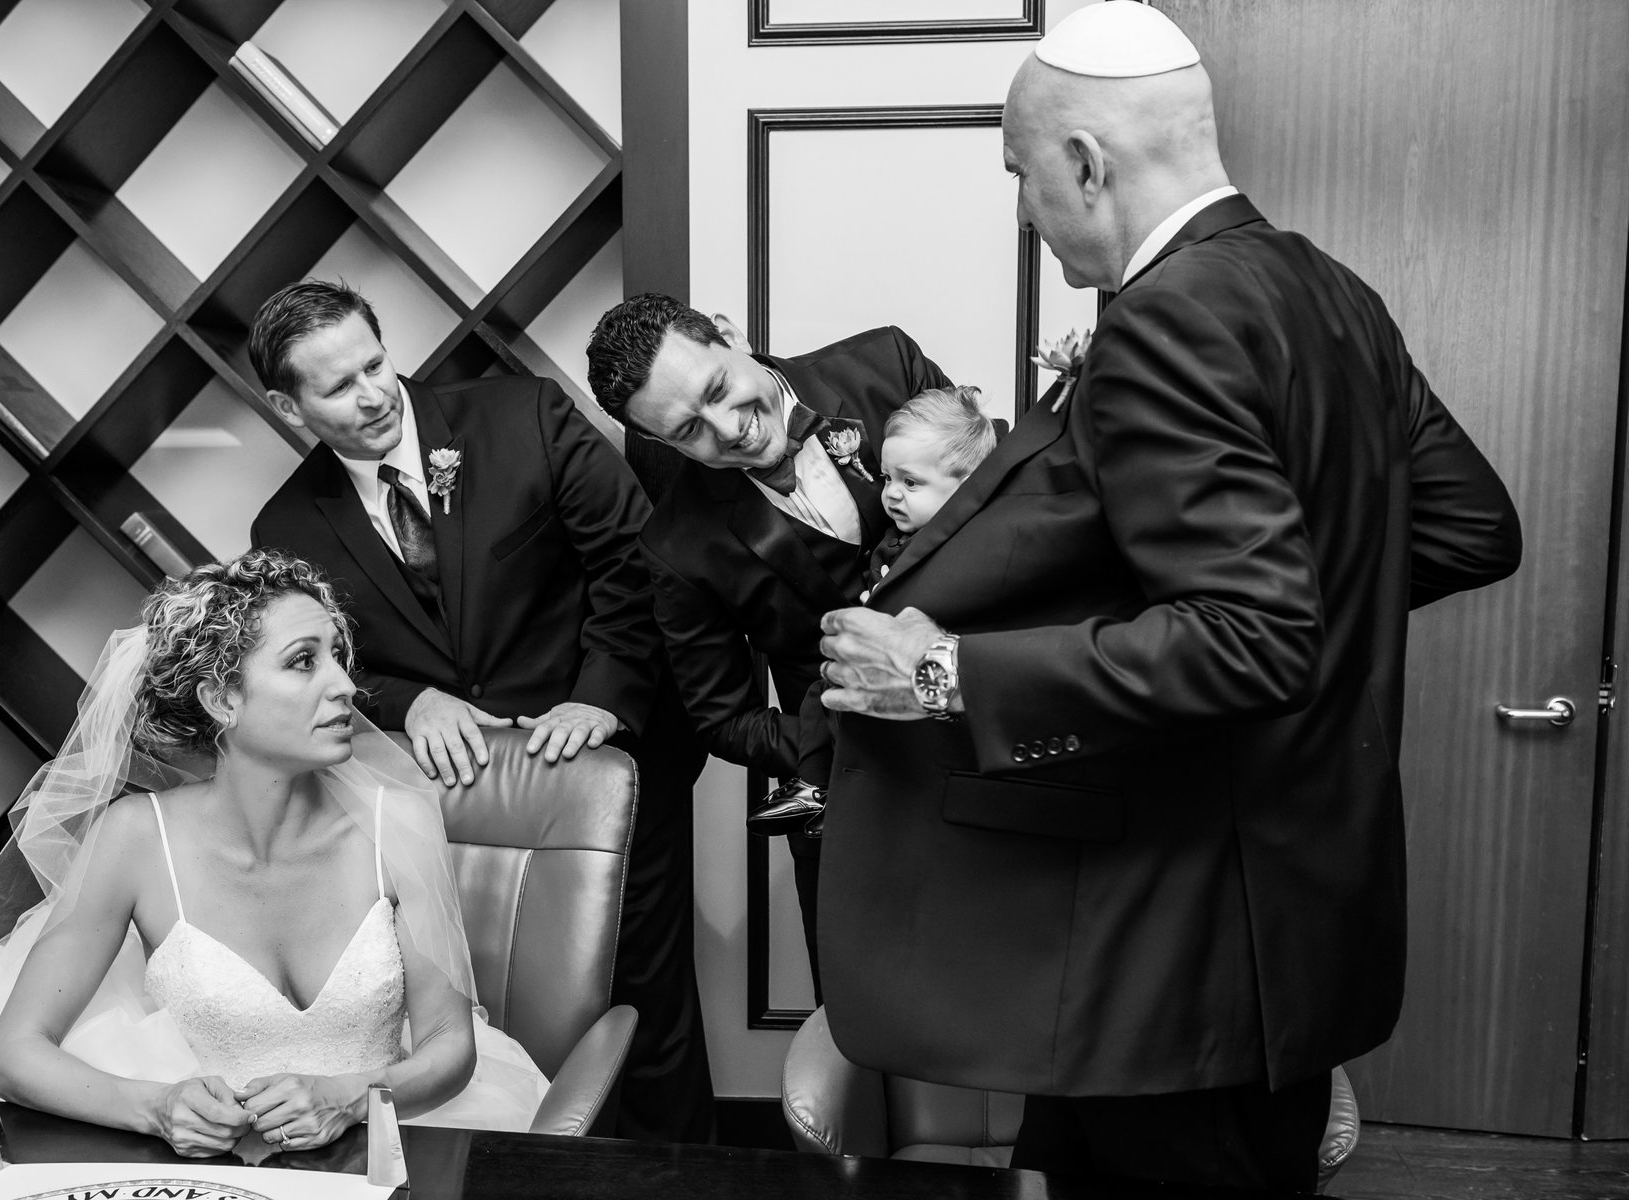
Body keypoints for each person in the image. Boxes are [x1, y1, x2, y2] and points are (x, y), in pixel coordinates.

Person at [813, 4, 1523, 1193]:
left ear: (1086, 162)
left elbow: (1252, 637)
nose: (1024, 210)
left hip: (1176, 947)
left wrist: (941, 673)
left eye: (1022, 173)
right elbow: (1467, 528)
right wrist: (1303, 618)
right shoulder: (1332, 292)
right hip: (1289, 920)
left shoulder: (1165, 321)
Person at [0, 550, 548, 1153]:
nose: (345, 685)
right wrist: (157, 1107)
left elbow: (451, 1047)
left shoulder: (400, 823)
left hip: (385, 1145)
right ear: (220, 700)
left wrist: (351, 1097)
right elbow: (14, 1055)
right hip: (208, 1169)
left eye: (338, 655)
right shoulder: (135, 839)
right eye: (304, 662)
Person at [245, 281, 713, 1144]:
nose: (374, 395)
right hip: (440, 815)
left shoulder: (523, 415)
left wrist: (599, 698)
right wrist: (409, 700)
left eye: (376, 365)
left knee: (644, 1007)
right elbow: (318, 665)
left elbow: (636, 563)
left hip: (603, 773)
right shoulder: (287, 525)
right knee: (479, 1016)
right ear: (287, 406)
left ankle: (679, 1181)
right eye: (339, 387)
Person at [585, 293, 952, 999]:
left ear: (730, 335)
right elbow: (724, 719)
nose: (729, 430)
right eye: (689, 431)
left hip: (997, 749)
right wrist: (842, 740)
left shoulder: (886, 364)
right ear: (663, 444)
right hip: (852, 809)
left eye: (718, 389)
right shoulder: (677, 543)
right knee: (863, 1021)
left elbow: (999, 506)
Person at [784, 385, 1002, 811]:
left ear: (968, 488)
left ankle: (824, 789)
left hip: (924, 683)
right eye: (887, 478)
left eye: (911, 482)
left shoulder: (966, 545)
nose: (892, 493)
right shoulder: (896, 537)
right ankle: (816, 786)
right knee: (823, 691)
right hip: (877, 658)